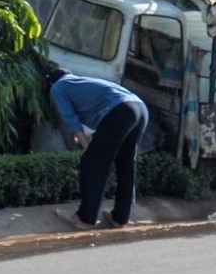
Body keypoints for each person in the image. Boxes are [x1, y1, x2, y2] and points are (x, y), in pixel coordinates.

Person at [47, 68, 148, 230]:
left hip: (122, 109)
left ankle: (85, 217)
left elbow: (71, 120)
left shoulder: (58, 87)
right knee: (126, 164)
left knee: (93, 162)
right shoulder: (81, 81)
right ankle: (120, 218)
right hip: (140, 108)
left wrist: (86, 147)